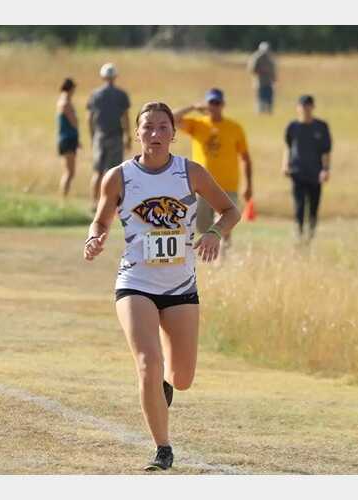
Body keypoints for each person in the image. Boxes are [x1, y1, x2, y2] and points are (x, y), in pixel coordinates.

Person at [83, 102, 240, 471]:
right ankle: (163, 448)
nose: (154, 134)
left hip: (181, 286)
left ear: (174, 132)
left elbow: (229, 210)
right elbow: (100, 221)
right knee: (147, 363)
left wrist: (215, 232)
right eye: (147, 128)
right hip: (134, 283)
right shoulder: (118, 177)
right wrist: (95, 238)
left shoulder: (191, 173)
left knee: (181, 378)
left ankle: (165, 387)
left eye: (161, 127)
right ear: (136, 134)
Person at [173, 88, 252, 258]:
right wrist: (193, 106)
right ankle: (210, 255)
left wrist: (248, 184)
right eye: (211, 103)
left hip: (228, 185)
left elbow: (245, 158)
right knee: (202, 226)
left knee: (225, 222)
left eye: (217, 103)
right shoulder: (198, 124)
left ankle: (222, 260)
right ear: (206, 104)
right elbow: (172, 119)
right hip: (202, 187)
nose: (214, 106)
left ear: (222, 105)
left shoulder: (234, 128)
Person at [282, 95, 332, 244]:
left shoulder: (321, 127)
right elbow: (288, 148)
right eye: (303, 106)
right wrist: (284, 165)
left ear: (313, 107)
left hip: (315, 174)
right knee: (299, 207)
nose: (306, 109)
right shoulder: (292, 127)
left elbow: (326, 151)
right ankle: (299, 235)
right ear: (298, 108)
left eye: (308, 105)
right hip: (297, 173)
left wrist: (325, 169)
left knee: (313, 209)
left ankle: (310, 237)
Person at [87, 63, 132, 212]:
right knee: (114, 172)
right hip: (115, 136)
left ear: (102, 77)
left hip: (100, 135)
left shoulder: (95, 94)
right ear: (115, 77)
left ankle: (94, 202)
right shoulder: (121, 94)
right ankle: (113, 204)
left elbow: (90, 118)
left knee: (97, 171)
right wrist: (128, 135)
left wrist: (93, 136)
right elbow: (125, 117)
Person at [56, 78, 79, 198]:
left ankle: (64, 195)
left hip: (68, 138)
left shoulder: (63, 100)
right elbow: (73, 121)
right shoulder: (65, 102)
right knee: (69, 172)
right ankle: (63, 196)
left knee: (70, 171)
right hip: (67, 139)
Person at [247, 41, 277, 114]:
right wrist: (262, 71)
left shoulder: (270, 57)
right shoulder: (256, 57)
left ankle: (269, 114)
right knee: (261, 100)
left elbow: (272, 69)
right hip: (260, 82)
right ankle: (260, 114)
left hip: (269, 82)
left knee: (269, 99)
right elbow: (251, 69)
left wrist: (274, 78)